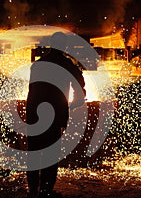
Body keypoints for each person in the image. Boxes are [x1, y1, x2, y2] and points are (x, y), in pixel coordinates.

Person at [26, 32, 86, 198]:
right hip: (54, 115)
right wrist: (76, 102)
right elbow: (79, 84)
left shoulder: (37, 64)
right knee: (50, 155)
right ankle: (46, 190)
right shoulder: (66, 64)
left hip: (34, 114)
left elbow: (32, 90)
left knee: (34, 154)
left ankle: (32, 191)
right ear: (64, 47)